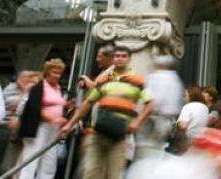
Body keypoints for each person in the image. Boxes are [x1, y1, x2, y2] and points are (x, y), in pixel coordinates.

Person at [64, 47, 153, 179]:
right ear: (113, 59)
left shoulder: (138, 80)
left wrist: (137, 122)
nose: (120, 59)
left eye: (124, 56)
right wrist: (70, 123)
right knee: (90, 173)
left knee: (114, 175)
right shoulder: (104, 79)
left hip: (120, 135)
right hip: (97, 132)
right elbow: (88, 102)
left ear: (129, 59)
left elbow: (150, 104)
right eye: (117, 56)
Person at [17, 60, 67, 179]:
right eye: (55, 72)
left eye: (60, 73)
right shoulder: (38, 87)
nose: (57, 76)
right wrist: (52, 119)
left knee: (49, 162)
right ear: (47, 72)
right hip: (39, 127)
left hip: (54, 129)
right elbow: (33, 107)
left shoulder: (59, 88)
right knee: (31, 159)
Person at [141, 56, 182, 157]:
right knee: (158, 148)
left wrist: (142, 116)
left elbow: (155, 99)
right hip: (167, 119)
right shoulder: (174, 77)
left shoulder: (156, 76)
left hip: (154, 118)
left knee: (147, 149)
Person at [0, 70, 37, 176]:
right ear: (18, 78)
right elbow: (12, 104)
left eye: (29, 78)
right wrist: (25, 93)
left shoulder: (31, 91)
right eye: (24, 77)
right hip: (6, 129)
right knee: (6, 164)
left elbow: (25, 108)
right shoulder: (10, 88)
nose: (27, 80)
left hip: (23, 132)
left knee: (19, 164)